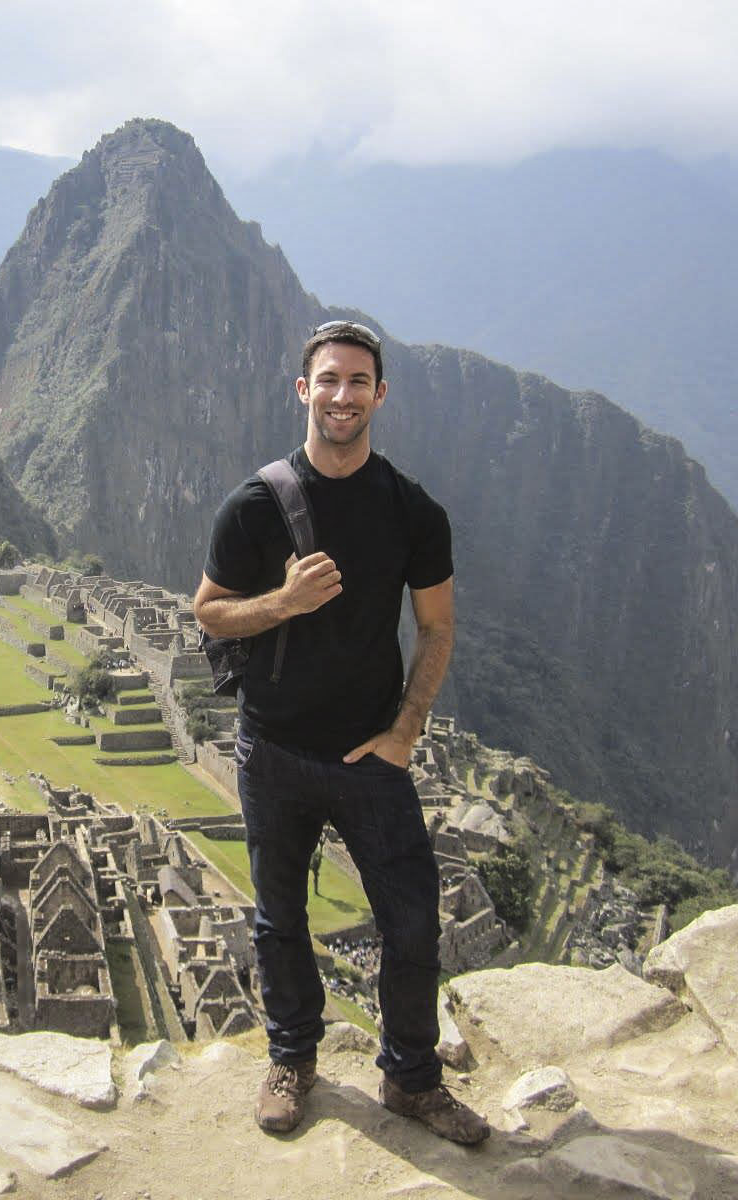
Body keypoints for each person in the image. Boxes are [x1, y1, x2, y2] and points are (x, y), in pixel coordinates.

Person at [193, 320, 488, 1144]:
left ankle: (411, 1078)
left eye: (359, 382)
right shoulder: (254, 506)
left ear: (379, 395)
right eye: (329, 380)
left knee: (413, 921)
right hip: (274, 750)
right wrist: (282, 603)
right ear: (304, 391)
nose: (343, 396)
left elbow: (436, 628)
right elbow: (209, 611)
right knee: (279, 918)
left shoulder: (411, 511)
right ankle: (292, 1061)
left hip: (370, 756)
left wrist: (404, 732)